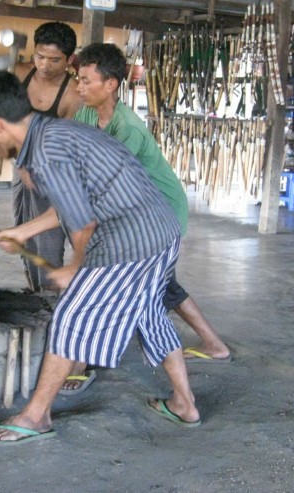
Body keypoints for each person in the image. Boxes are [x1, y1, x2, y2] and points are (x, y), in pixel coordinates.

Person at [0, 70, 201, 445]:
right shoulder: (56, 132)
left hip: (130, 242)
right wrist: (24, 231)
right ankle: (184, 403)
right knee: (149, 313)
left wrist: (74, 268)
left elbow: (84, 224)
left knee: (71, 317)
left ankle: (35, 416)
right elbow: (73, 202)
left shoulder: (45, 153)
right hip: (161, 230)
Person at [64, 43, 231, 392]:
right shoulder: (85, 114)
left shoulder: (129, 129)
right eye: (77, 80)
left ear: (111, 84)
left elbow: (104, 184)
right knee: (159, 286)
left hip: (160, 211)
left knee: (127, 285)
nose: (78, 87)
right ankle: (213, 345)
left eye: (85, 80)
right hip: (133, 210)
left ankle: (79, 359)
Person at [13, 21, 81, 293]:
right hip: (20, 163)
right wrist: (22, 162)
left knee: (48, 235)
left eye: (54, 60)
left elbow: (65, 142)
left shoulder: (73, 92)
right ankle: (34, 289)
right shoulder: (19, 74)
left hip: (54, 169)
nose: (44, 65)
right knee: (23, 229)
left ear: (69, 60)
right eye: (40, 57)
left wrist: (34, 164)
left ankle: (52, 295)